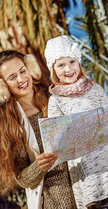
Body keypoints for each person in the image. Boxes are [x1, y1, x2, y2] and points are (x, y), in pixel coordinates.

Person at [0, 50, 77, 209]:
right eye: (12, 77)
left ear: (30, 68)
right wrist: (38, 167)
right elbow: (21, 178)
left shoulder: (57, 96)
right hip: (54, 201)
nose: (21, 79)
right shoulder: (10, 126)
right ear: (1, 86)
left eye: (22, 71)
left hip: (88, 186)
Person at [44, 35, 108, 209]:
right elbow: (56, 139)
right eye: (61, 65)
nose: (68, 69)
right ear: (53, 70)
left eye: (72, 62)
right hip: (89, 177)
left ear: (78, 62)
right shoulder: (56, 100)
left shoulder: (96, 89)